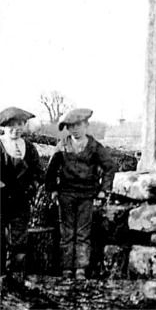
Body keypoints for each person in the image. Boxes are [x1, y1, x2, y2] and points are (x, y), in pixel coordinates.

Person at [44, 108, 117, 279]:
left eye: (78, 125)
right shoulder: (62, 146)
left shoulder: (94, 147)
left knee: (83, 233)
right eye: (70, 127)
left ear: (86, 125)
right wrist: (53, 190)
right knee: (67, 233)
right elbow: (51, 170)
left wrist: (103, 190)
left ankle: (81, 269)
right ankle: (66, 268)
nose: (75, 130)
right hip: (66, 195)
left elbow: (110, 166)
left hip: (86, 195)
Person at [0, 107, 42, 278]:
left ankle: (16, 277)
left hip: (21, 200)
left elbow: (38, 172)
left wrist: (33, 186)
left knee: (19, 239)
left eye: (20, 124)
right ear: (4, 126)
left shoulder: (29, 148)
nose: (15, 129)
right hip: (1, 199)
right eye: (11, 125)